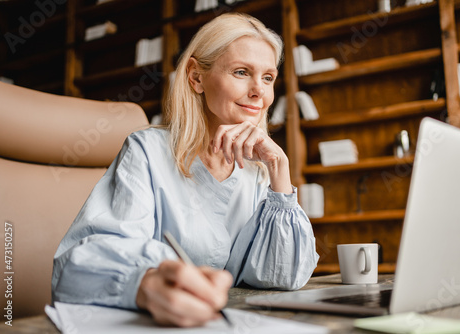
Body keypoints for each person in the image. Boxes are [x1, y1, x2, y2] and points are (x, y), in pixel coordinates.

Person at [52, 12, 319, 327]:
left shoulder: (259, 174)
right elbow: (76, 268)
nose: (259, 92)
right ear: (196, 77)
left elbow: (282, 277)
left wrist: (279, 171)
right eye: (241, 71)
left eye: (268, 77)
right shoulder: (147, 151)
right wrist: (145, 284)